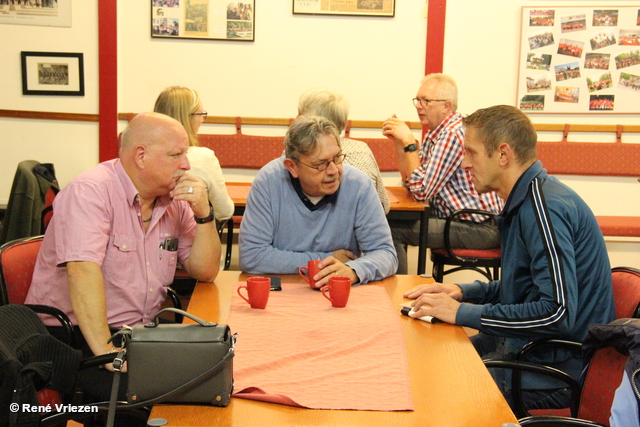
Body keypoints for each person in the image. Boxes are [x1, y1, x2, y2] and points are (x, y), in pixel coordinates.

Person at [403, 105, 615, 410]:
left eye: (472, 153)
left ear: (503, 155)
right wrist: (464, 292)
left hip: (556, 367)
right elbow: (526, 287)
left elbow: (556, 312)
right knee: (435, 357)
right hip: (534, 350)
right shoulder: (528, 199)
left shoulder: (545, 209)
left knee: (444, 382)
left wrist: (462, 312)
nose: (464, 163)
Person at [25, 112, 221, 415]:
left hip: (139, 334)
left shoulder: (175, 199)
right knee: (165, 402)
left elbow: (205, 272)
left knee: (211, 380)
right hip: (75, 338)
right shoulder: (91, 191)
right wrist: (107, 352)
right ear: (140, 156)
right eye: (176, 155)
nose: (186, 165)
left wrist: (204, 212)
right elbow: (82, 272)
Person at [239, 115, 397, 287]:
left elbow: (386, 254)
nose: (333, 170)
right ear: (292, 167)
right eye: (320, 164)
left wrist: (353, 271)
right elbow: (251, 257)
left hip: (337, 293)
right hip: (287, 289)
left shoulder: (359, 185)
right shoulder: (268, 182)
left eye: (337, 158)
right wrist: (327, 259)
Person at [382, 73, 503, 274]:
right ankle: (395, 291)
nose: (419, 106)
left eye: (425, 101)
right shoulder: (436, 131)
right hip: (461, 221)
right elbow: (410, 182)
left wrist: (410, 143)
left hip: (480, 227)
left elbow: (421, 192)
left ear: (446, 106)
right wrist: (399, 143)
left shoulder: (452, 134)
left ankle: (397, 296)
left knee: (390, 230)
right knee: (388, 220)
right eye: (417, 100)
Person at [297, 88, 390, 214]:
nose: (295, 118)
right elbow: (383, 206)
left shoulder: (295, 152)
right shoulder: (362, 150)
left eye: (299, 114)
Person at [154, 85, 235, 221]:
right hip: (193, 238)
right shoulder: (204, 158)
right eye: (200, 114)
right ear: (187, 117)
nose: (203, 119)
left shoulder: (144, 157)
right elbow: (225, 211)